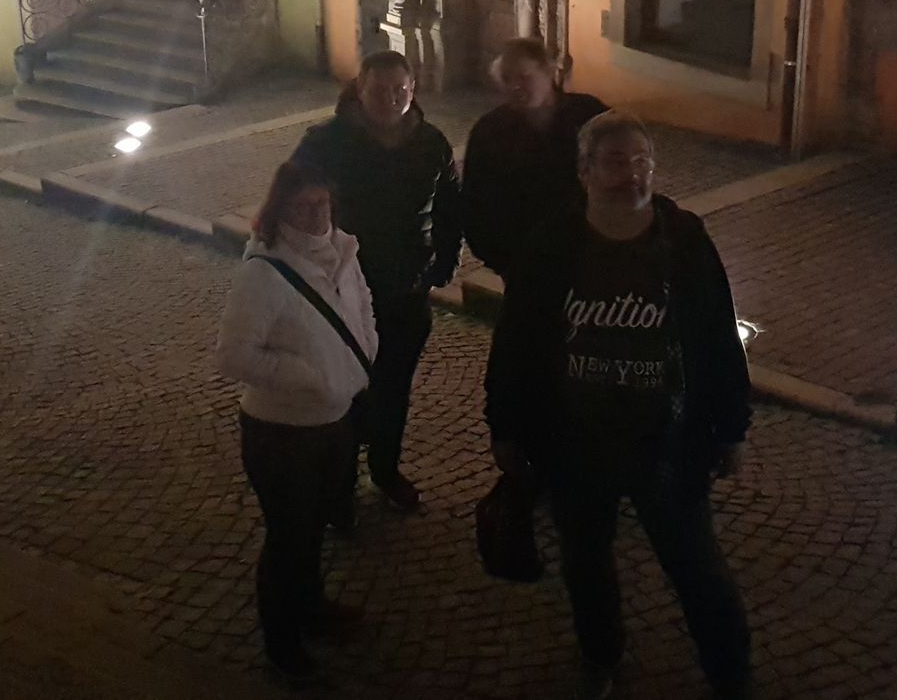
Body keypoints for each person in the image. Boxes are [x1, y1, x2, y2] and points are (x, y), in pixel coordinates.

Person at [485, 111, 754, 700]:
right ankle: (600, 654)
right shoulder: (552, 245)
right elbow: (516, 342)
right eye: (615, 162)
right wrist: (506, 427)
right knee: (585, 561)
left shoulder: (684, 241)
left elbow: (717, 336)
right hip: (575, 444)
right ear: (584, 171)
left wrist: (731, 429)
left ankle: (731, 673)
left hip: (669, 444)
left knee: (697, 566)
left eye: (642, 162)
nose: (632, 174)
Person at [217, 161, 378, 683]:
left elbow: (361, 304)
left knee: (314, 528)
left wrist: (366, 350)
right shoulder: (263, 274)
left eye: (321, 204)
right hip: (281, 433)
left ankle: (312, 608)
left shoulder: (343, 251)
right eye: (301, 207)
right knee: (289, 538)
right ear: (280, 209)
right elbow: (234, 355)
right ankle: (282, 644)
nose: (314, 216)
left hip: (335, 421)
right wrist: (311, 378)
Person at [291, 50, 462, 513]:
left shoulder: (431, 143)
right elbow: (295, 202)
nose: (391, 99)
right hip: (342, 288)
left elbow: (450, 206)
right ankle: (339, 484)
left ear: (413, 91)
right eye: (380, 90)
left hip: (405, 288)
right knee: (343, 390)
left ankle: (385, 469)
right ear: (360, 90)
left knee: (393, 387)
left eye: (400, 90)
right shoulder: (326, 142)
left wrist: (443, 263)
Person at [462, 37, 609, 281]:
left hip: (588, 256)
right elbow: (475, 203)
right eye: (507, 79)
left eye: (524, 77)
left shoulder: (588, 115)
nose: (515, 87)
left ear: (549, 72)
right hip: (523, 264)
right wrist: (501, 259)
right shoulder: (490, 132)